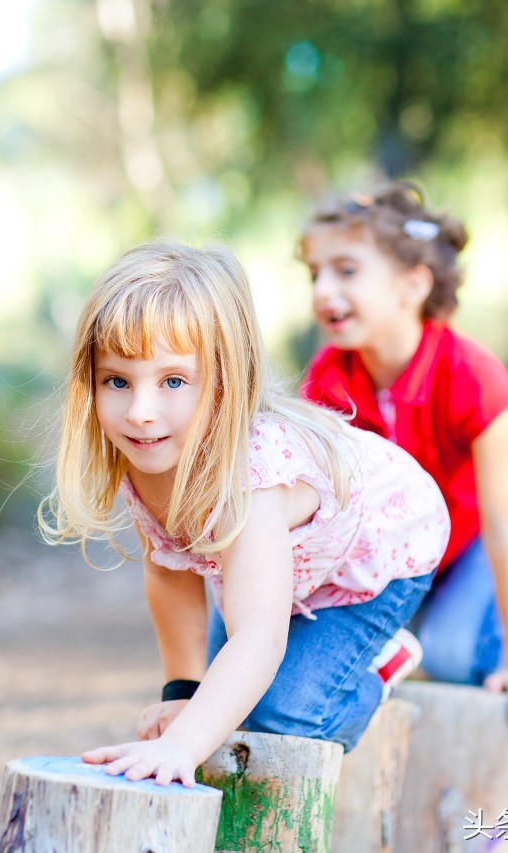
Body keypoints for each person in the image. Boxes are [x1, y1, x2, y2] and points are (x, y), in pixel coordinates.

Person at [40, 239, 449, 787]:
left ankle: (382, 665)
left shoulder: (251, 479)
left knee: (284, 721)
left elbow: (258, 637)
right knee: (223, 706)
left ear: (226, 381)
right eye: (117, 381)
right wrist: (183, 692)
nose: (139, 412)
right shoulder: (148, 451)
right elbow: (169, 572)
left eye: (173, 381)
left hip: (383, 547)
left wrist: (181, 746)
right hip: (287, 560)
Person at [298, 181, 508, 742]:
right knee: (371, 646)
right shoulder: (329, 378)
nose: (322, 291)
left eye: (345, 271)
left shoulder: (472, 377)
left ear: (413, 284)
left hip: (483, 531)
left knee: (450, 655)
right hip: (406, 544)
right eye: (314, 273)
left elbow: (504, 530)